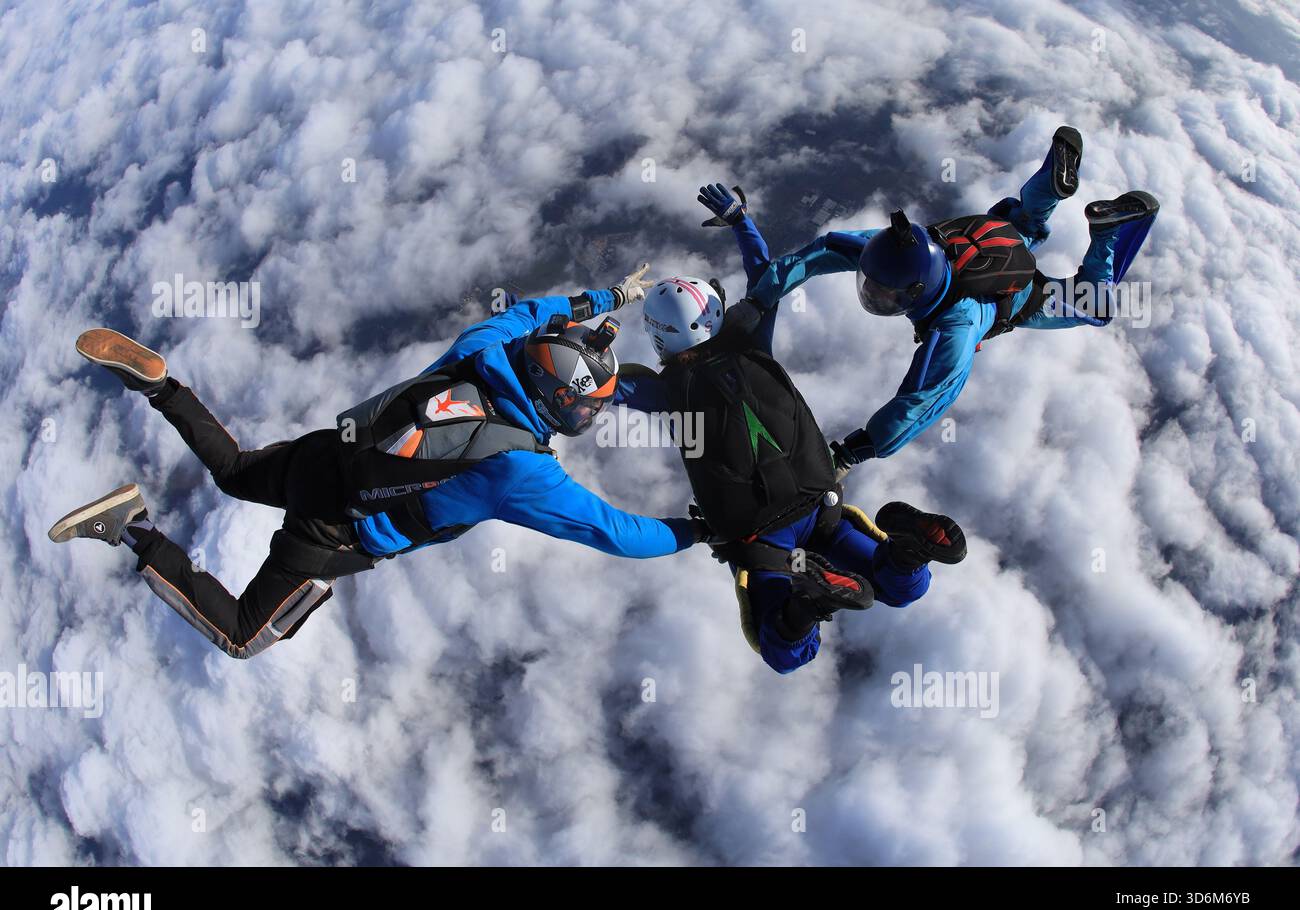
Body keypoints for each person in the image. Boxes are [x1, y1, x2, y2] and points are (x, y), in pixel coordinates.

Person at [48, 267, 706, 659]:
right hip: (331, 536)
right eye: (588, 409)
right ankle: (130, 526)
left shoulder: (480, 348)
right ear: (560, 405)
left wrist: (608, 298)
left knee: (235, 472)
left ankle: (161, 387)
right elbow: (618, 533)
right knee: (242, 636)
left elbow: (535, 311)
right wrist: (702, 528)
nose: (591, 417)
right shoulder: (521, 470)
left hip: (321, 456)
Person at [613, 184, 966, 674]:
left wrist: (564, 340)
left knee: (784, 652)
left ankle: (805, 607)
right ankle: (910, 553)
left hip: (763, 539)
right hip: (821, 505)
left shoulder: (664, 390)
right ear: (715, 312)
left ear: (658, 338)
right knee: (899, 588)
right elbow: (766, 275)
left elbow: (592, 385)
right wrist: (740, 220)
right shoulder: (751, 339)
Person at [723, 127, 1160, 464]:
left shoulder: (956, 325)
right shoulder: (897, 246)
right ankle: (1051, 182)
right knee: (1026, 224)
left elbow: (926, 398)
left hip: (1021, 292)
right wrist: (757, 303)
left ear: (916, 291)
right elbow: (825, 249)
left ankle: (1105, 232)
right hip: (989, 242)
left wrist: (854, 452)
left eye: (885, 294)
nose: (875, 295)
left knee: (1094, 304)